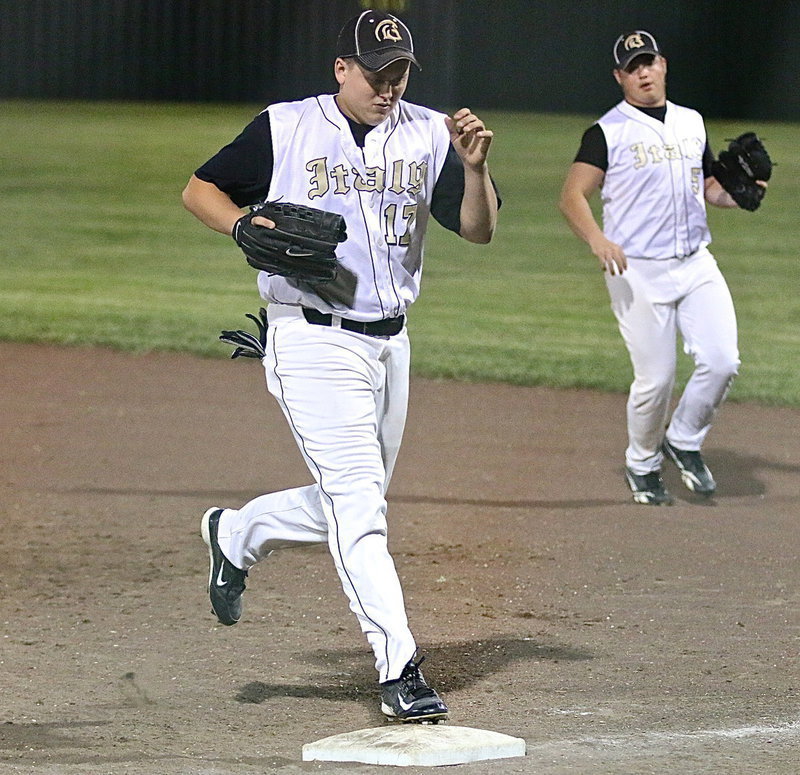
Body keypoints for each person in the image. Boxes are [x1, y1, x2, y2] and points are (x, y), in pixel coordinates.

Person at [182, 9, 499, 721]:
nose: (389, 86)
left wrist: (475, 171)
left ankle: (236, 533)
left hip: (392, 344)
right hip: (310, 339)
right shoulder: (286, 127)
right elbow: (200, 188)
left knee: (352, 498)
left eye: (400, 73)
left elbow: (478, 229)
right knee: (359, 509)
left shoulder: (428, 134)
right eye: (376, 73)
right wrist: (239, 224)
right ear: (341, 69)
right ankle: (398, 667)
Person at [559, 31, 766, 506]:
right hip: (636, 271)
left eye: (648, 62)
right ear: (620, 77)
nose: (643, 72)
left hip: (696, 263)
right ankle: (642, 462)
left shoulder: (692, 122)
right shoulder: (606, 132)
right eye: (633, 67)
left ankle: (685, 438)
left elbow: (708, 186)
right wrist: (596, 238)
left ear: (663, 65)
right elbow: (572, 195)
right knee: (656, 379)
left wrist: (737, 195)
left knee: (722, 360)